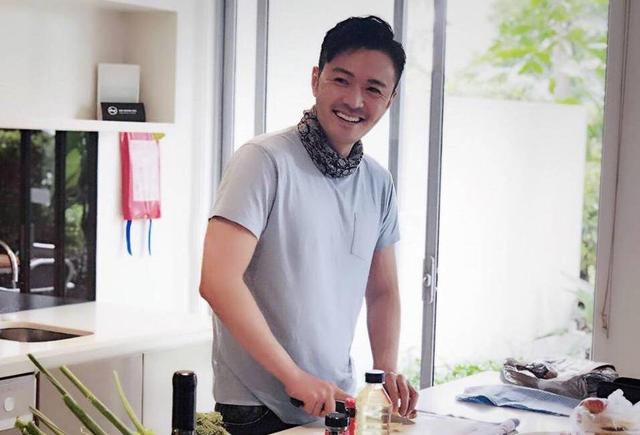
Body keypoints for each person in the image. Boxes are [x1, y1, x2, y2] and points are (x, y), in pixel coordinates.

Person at [199, 15, 418, 435]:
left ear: (390, 100)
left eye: (374, 89)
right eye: (341, 80)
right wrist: (292, 376)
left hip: (333, 401)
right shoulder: (263, 161)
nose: (355, 100)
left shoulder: (378, 182)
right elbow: (217, 281)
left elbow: (383, 290)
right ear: (316, 79)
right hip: (256, 409)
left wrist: (385, 372)